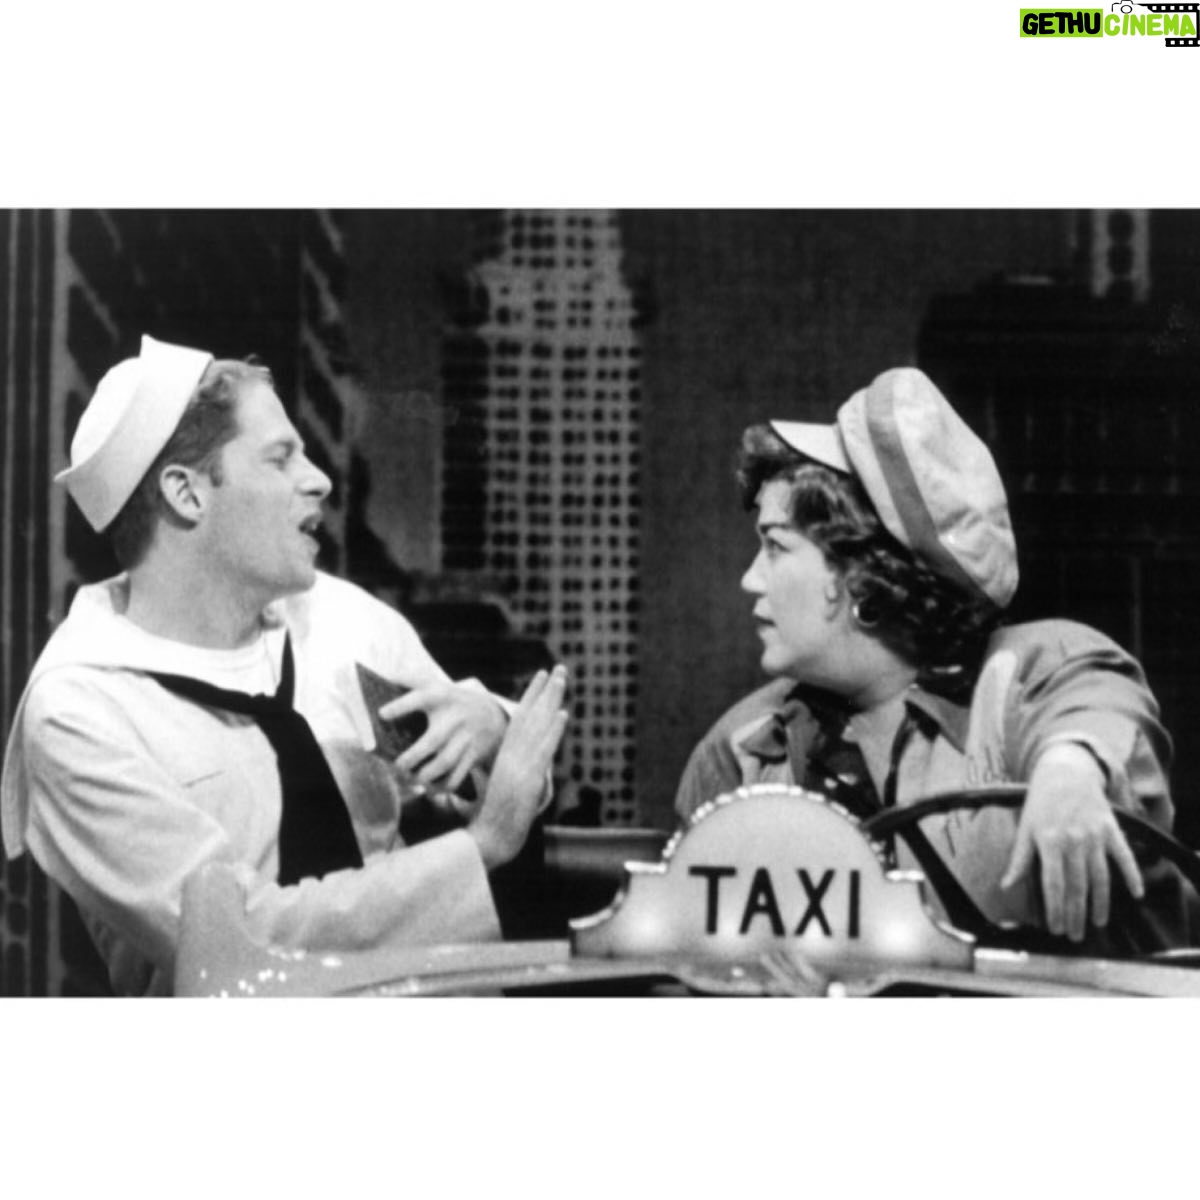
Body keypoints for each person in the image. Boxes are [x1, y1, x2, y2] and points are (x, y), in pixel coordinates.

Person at [1, 334, 567, 996]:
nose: (319, 478)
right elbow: (239, 942)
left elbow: (485, 780)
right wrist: (482, 847)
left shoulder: (343, 618)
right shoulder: (78, 713)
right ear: (186, 493)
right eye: (280, 458)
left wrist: (491, 732)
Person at [675, 366, 1194, 954]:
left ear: (863, 573)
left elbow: (1092, 707)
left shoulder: (1027, 672)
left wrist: (1069, 773)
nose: (750, 578)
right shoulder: (744, 747)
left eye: (775, 546)